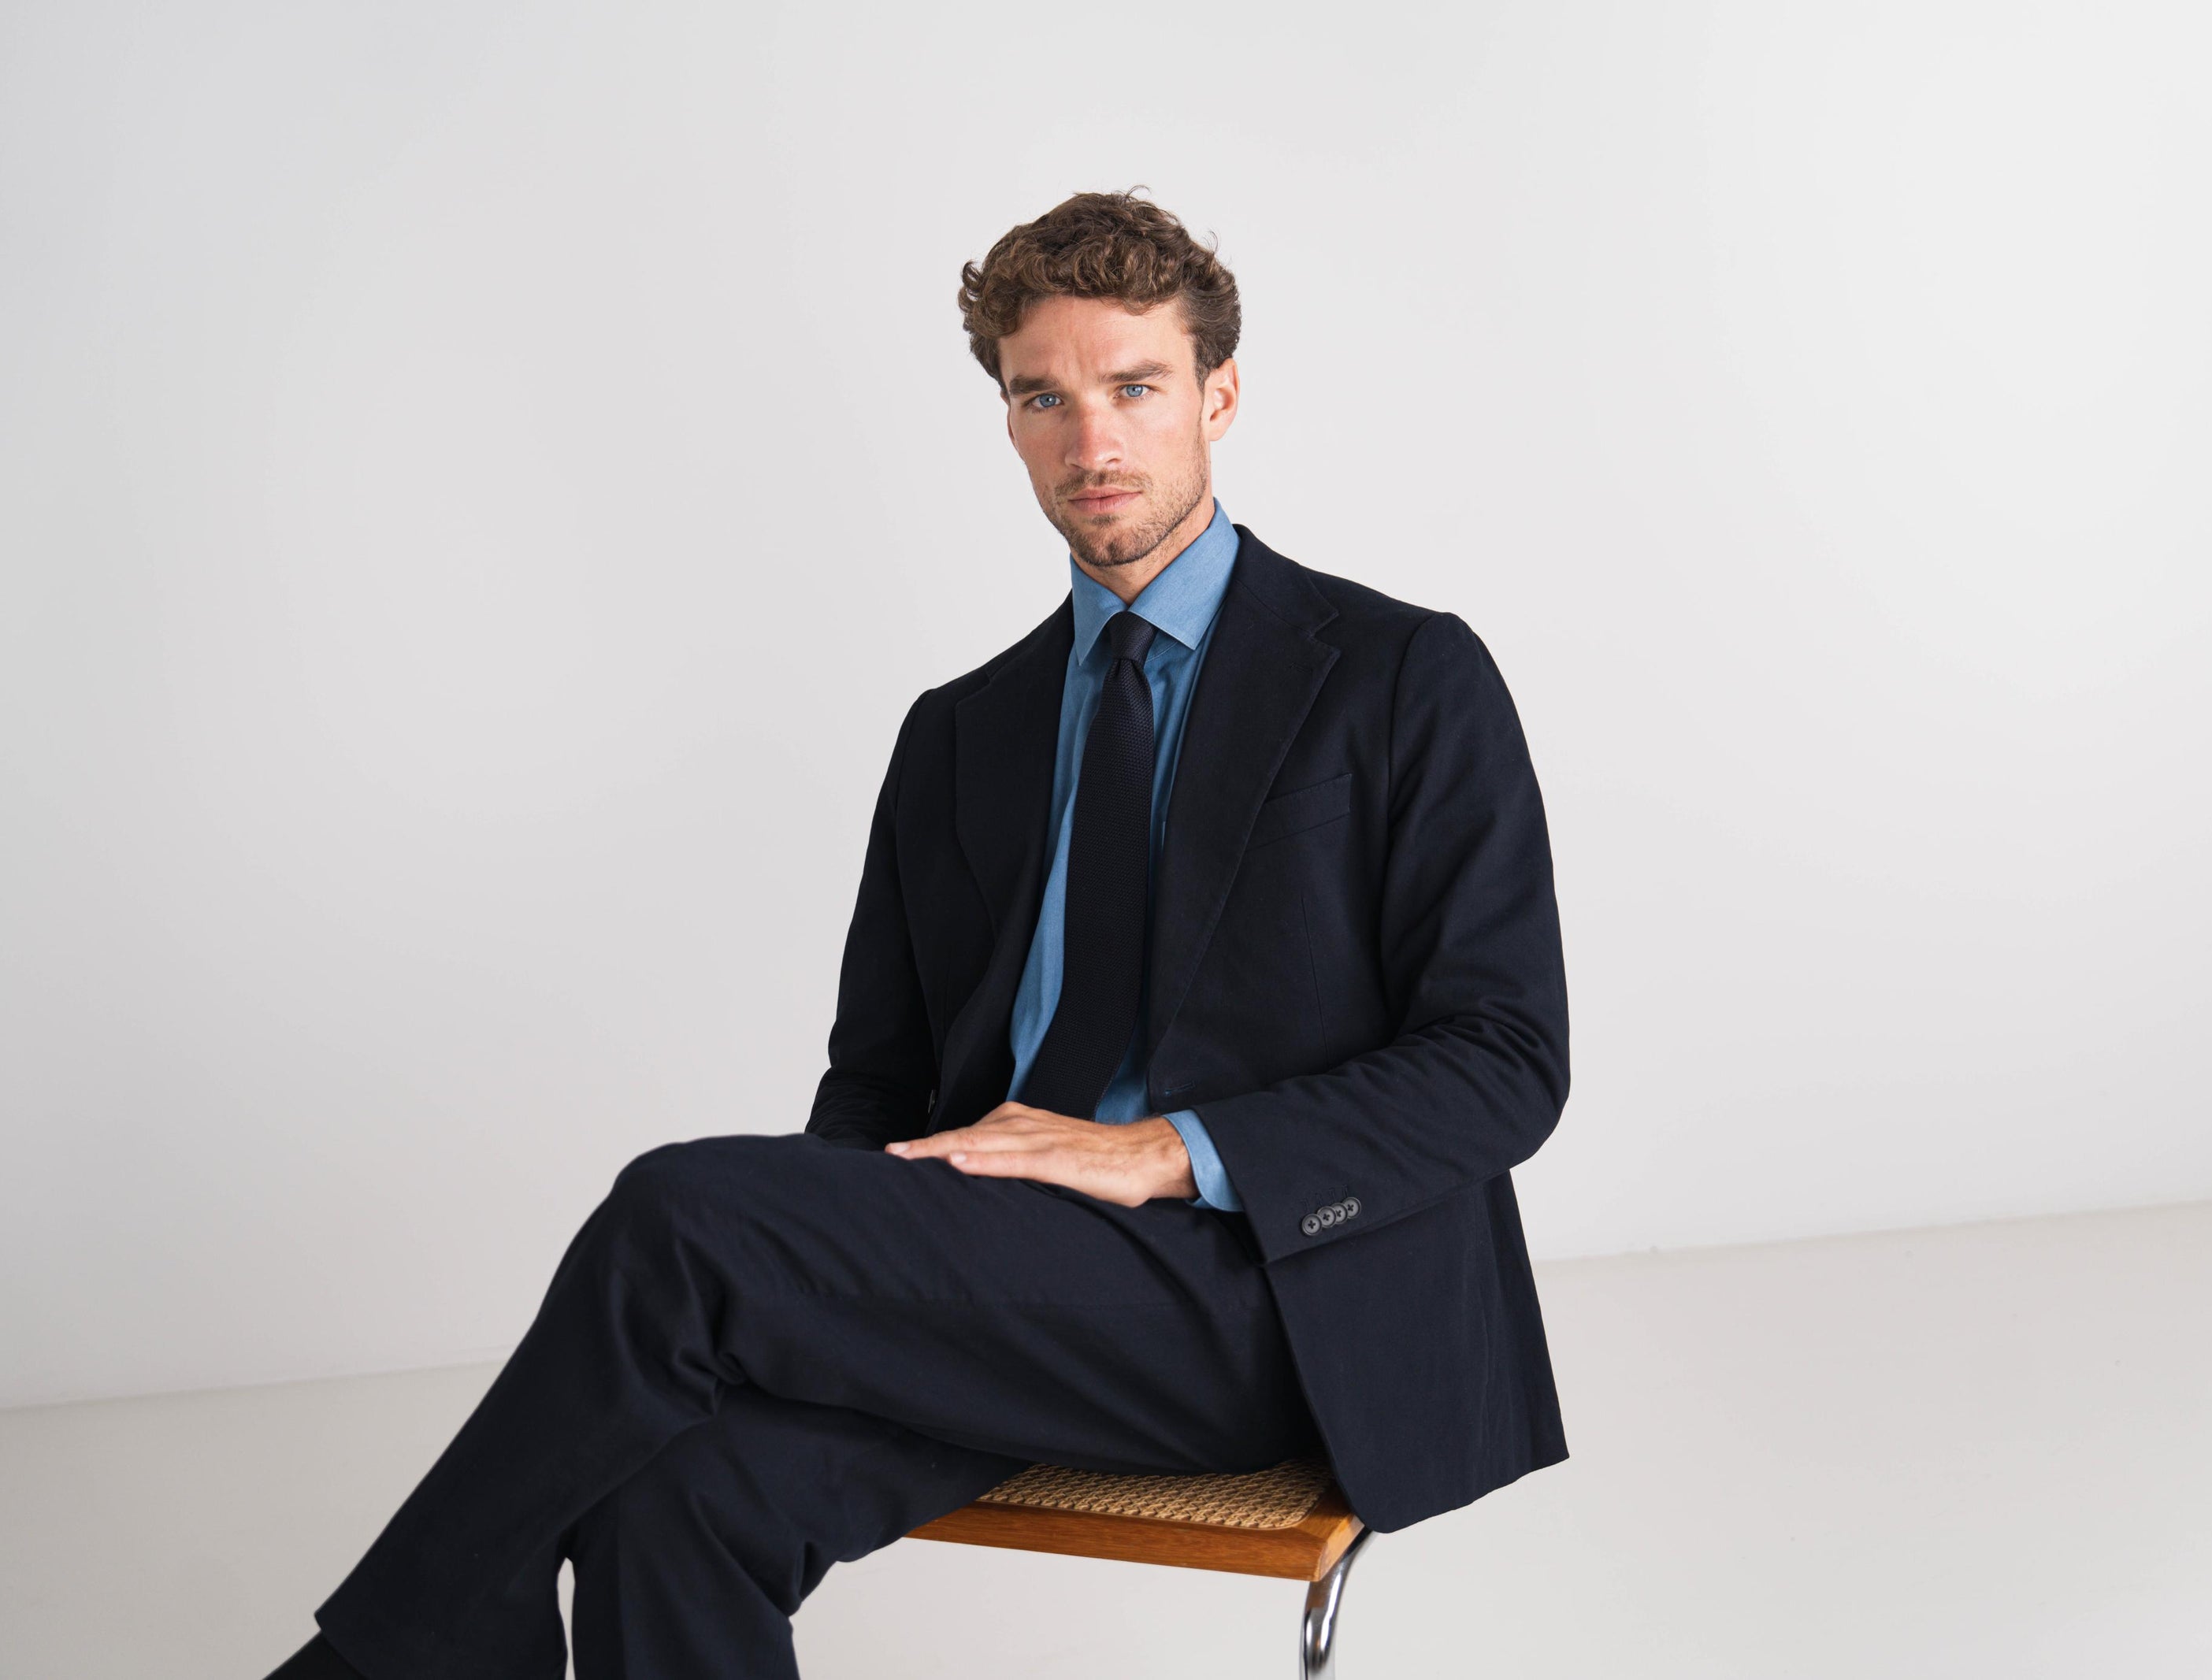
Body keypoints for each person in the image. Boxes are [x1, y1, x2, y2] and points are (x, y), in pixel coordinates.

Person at [267, 189, 1571, 1680]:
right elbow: (876, 1084)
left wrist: (1164, 1148)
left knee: (678, 1212)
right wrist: (832, 1277)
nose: (1096, 443)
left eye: (1136, 387)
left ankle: (400, 1656)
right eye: (1046, 398)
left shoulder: (1403, 676)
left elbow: (1506, 1063)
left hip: (1265, 1296)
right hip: (1004, 1277)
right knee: (672, 1498)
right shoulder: (960, 736)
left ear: (1218, 392)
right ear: (1007, 420)